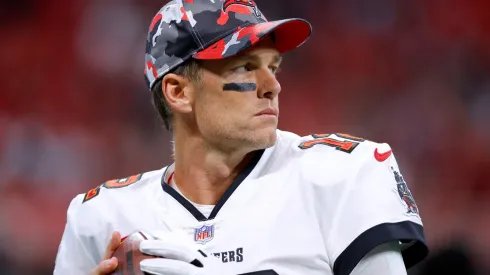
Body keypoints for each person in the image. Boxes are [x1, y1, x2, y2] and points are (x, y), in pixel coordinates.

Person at [54, 0, 428, 274]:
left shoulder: (341, 174)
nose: (272, 86)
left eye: (273, 67)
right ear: (178, 92)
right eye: (246, 67)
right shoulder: (99, 218)